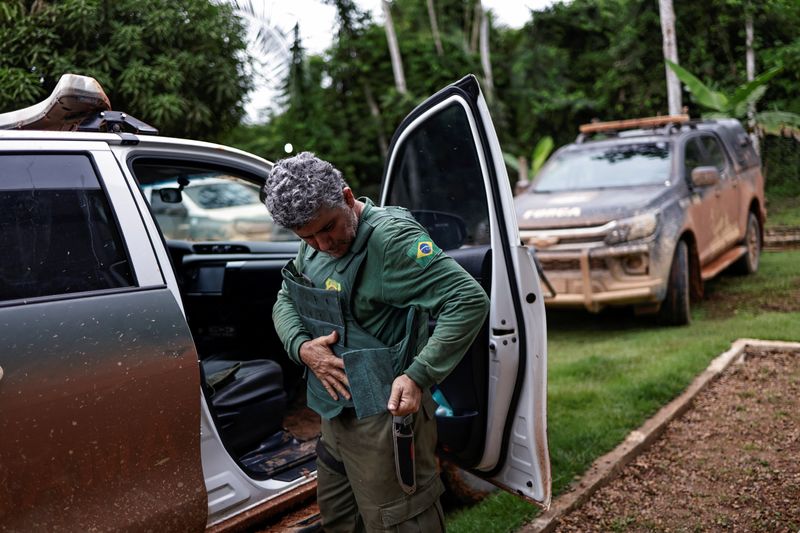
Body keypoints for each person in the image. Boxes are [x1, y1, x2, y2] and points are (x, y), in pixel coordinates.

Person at [265, 152, 489, 532]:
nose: (323, 244)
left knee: (400, 521)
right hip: (335, 416)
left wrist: (418, 375)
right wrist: (303, 347)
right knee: (341, 520)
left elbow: (467, 300)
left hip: (387, 419)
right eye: (308, 237)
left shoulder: (391, 242)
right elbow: (286, 297)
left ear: (348, 197)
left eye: (329, 227)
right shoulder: (314, 240)